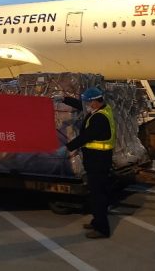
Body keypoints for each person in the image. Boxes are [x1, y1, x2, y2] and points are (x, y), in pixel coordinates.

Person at [64, 87, 116, 239]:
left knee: (98, 196)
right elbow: (80, 105)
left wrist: (67, 147)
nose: (85, 105)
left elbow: (86, 137)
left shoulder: (99, 118)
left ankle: (102, 229)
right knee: (97, 194)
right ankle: (96, 221)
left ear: (94, 102)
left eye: (88, 102)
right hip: (99, 160)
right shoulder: (103, 109)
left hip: (98, 162)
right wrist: (64, 99)